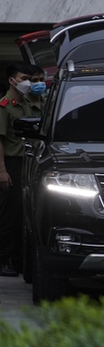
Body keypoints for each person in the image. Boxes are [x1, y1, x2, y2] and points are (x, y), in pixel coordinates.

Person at [0, 63, 35, 276]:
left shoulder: (27, 104)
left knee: (23, 214)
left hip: (28, 164)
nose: (28, 82)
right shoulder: (5, 106)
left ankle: (18, 259)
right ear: (12, 81)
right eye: (24, 78)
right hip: (11, 164)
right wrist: (2, 171)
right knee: (8, 215)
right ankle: (3, 259)